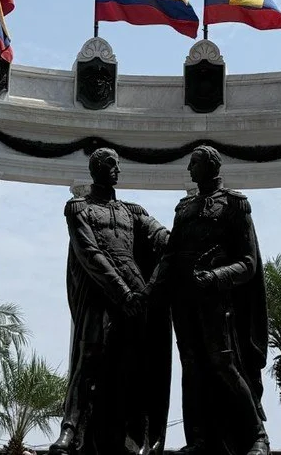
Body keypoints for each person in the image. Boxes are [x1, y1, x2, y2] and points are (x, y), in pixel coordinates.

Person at [50, 149, 172, 455]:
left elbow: (164, 240)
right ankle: (70, 428)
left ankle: (135, 436)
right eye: (111, 165)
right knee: (88, 357)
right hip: (99, 295)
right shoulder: (78, 208)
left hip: (135, 296)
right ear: (96, 169)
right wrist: (123, 293)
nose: (117, 169)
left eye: (118, 164)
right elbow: (90, 255)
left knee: (136, 365)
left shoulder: (133, 211)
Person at [153, 145, 269, 455]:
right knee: (191, 368)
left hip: (216, 301)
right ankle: (198, 440)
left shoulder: (235, 205)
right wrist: (152, 291)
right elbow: (170, 255)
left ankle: (258, 435)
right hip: (183, 299)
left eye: (194, 164)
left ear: (210, 167)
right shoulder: (184, 208)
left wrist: (216, 277)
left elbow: (248, 262)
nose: (189, 171)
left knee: (224, 364)